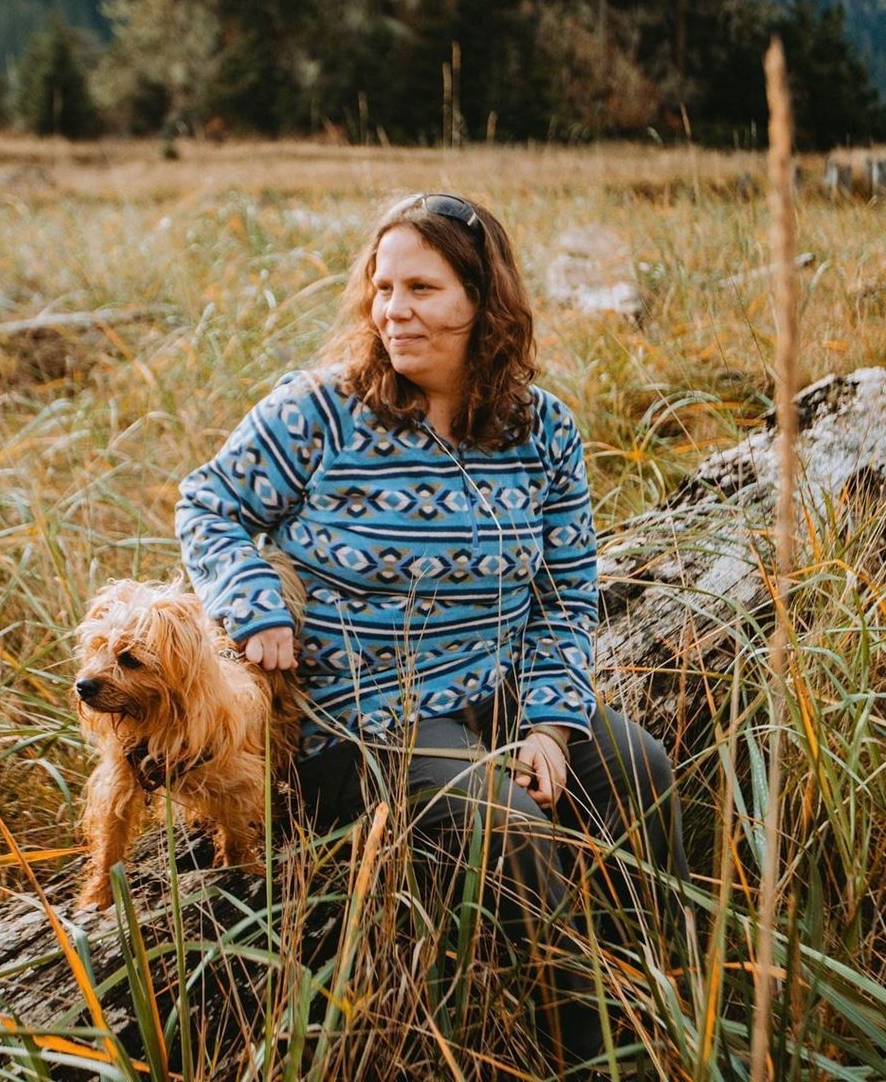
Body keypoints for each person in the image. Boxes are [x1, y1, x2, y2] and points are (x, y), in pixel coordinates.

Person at [176, 192, 689, 1070]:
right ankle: (597, 1052)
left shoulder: (543, 429)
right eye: (382, 288)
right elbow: (208, 505)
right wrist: (254, 603)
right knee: (508, 831)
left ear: (483, 302)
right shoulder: (321, 411)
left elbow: (566, 595)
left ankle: (664, 992)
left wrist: (550, 724)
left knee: (640, 768)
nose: (393, 310)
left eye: (422, 287)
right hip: (362, 715)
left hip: (496, 691)